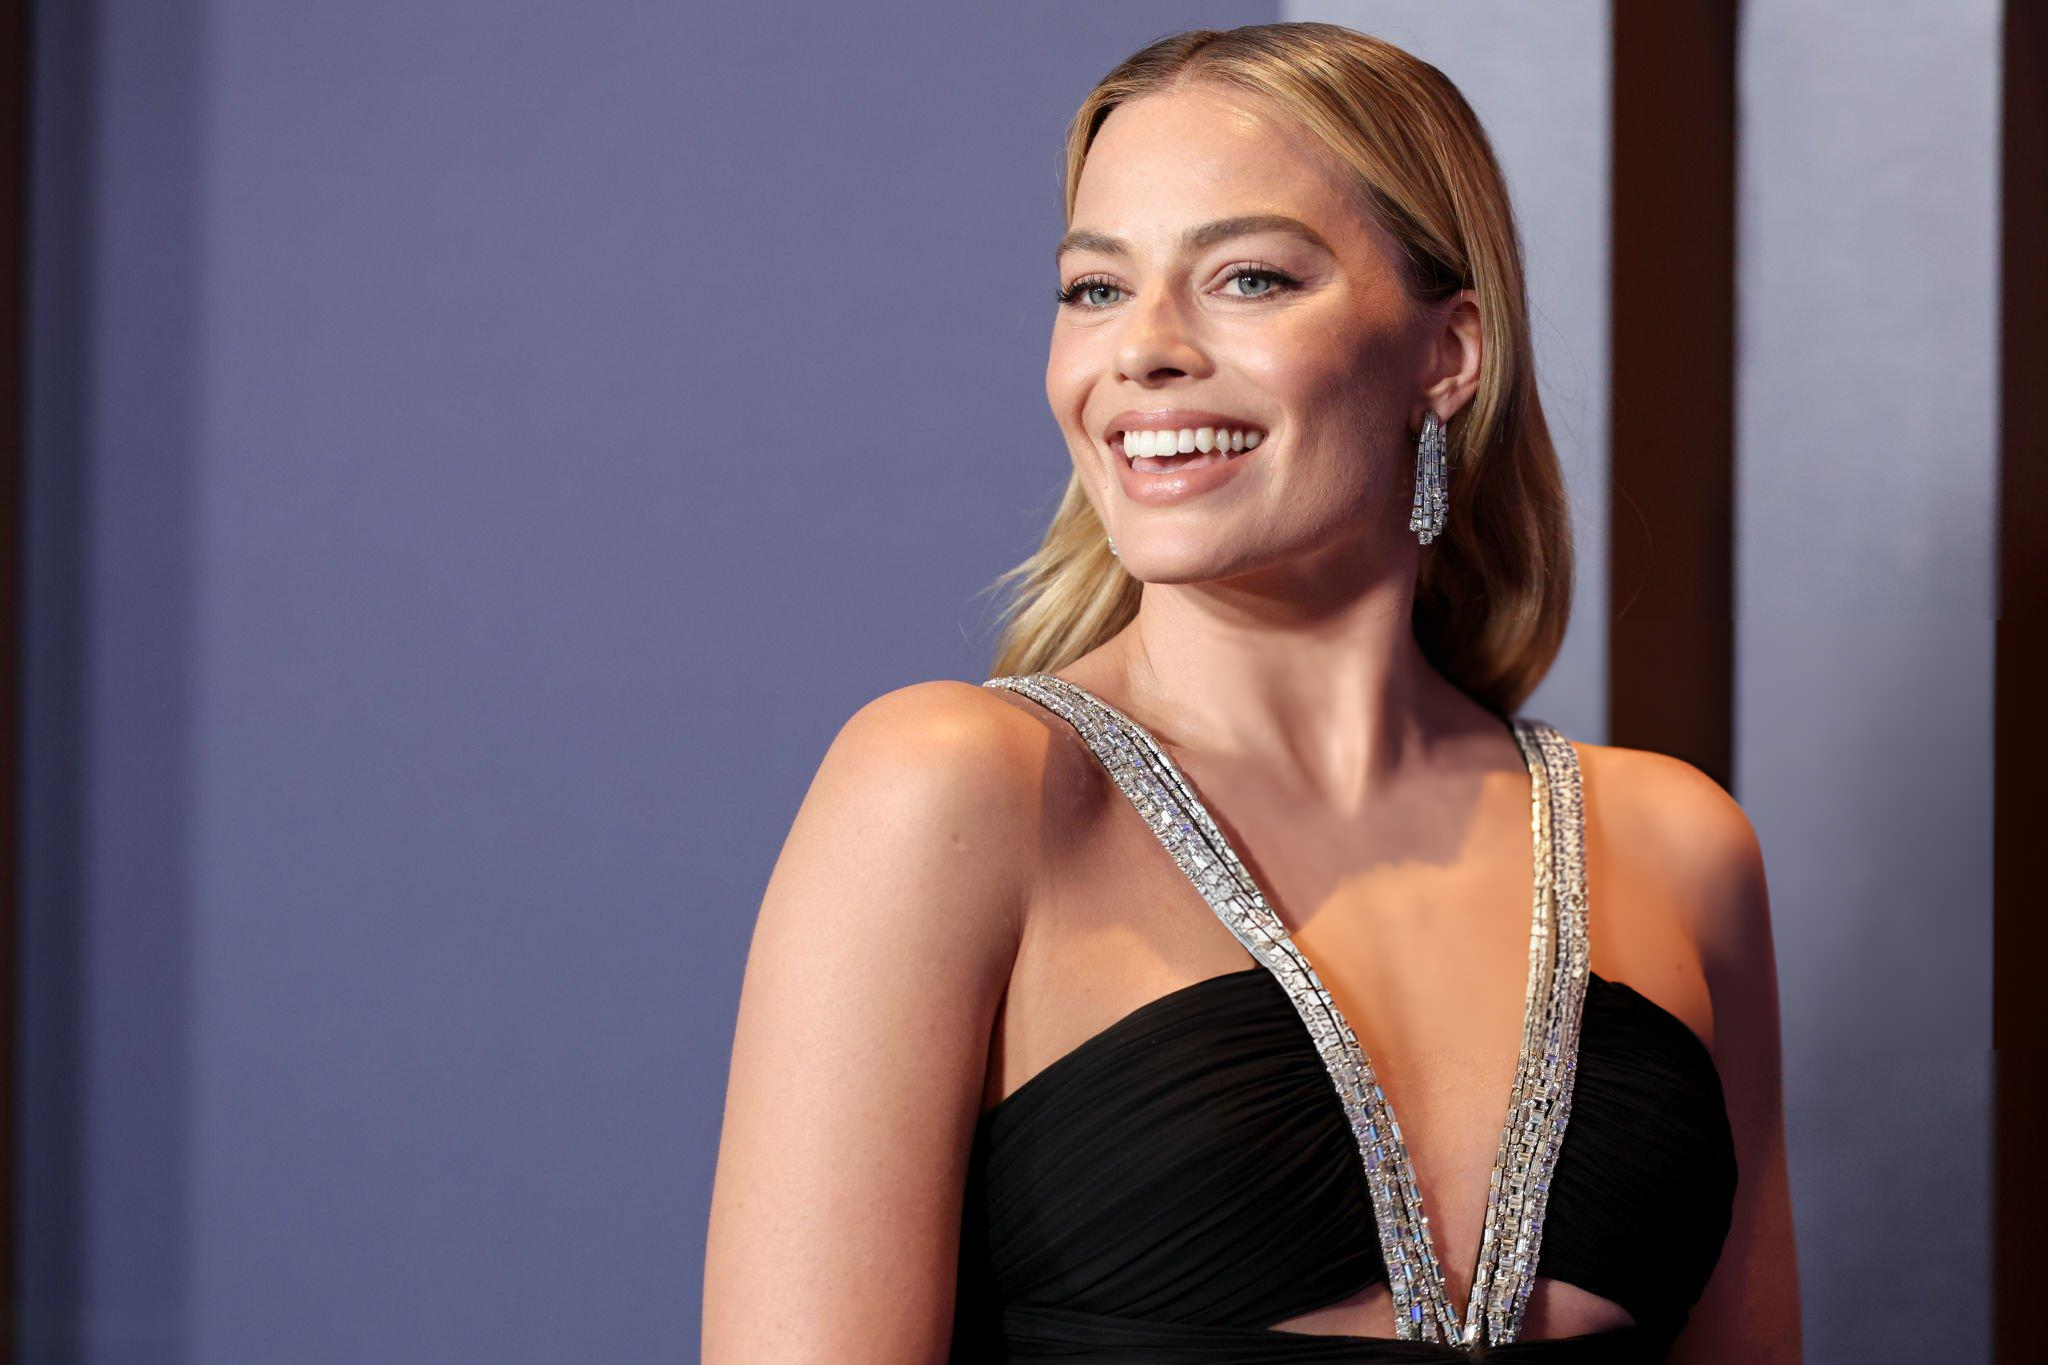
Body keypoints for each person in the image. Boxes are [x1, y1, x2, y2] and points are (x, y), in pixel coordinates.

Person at [703, 21, 1800, 1364]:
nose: (1143, 350)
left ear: (1448, 352)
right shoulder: (957, 790)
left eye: (1249, 277)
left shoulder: (1676, 847)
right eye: (1095, 288)